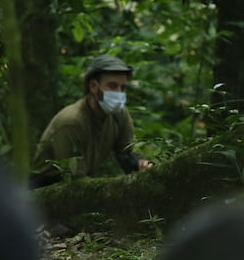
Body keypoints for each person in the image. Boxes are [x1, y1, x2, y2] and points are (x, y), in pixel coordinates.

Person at [29, 55, 154, 188]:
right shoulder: (72, 121)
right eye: (112, 86)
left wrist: (141, 164)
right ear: (93, 86)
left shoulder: (120, 115)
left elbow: (126, 152)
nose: (119, 93)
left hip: (81, 180)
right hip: (44, 187)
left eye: (123, 88)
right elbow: (74, 178)